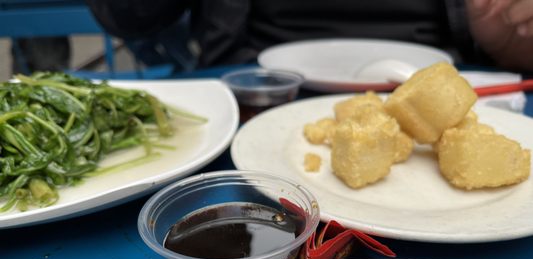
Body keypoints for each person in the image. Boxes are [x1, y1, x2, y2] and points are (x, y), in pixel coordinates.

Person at [84, 0, 533, 72]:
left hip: (453, 89)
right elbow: (126, 17)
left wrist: (506, 36)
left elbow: (517, 49)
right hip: (252, 91)